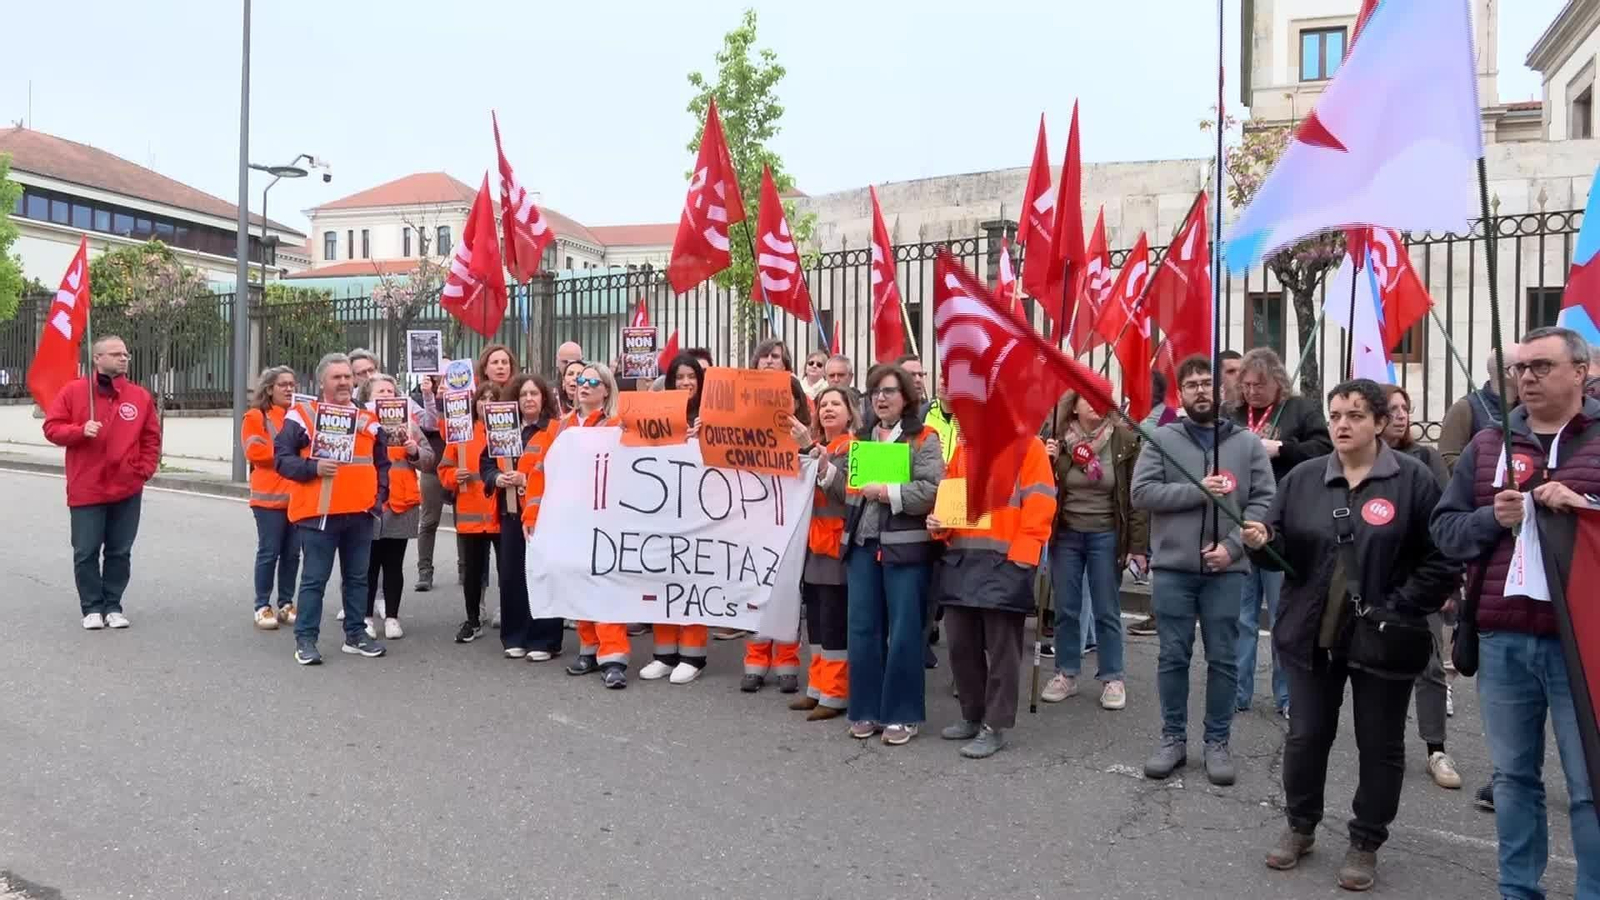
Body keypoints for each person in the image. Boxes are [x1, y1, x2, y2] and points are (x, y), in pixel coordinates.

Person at [1243, 379, 1458, 892]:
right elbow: (1279, 552)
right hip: (1312, 634)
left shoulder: (1413, 480)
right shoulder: (1301, 479)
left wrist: (1400, 606)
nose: (1342, 424)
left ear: (1381, 423)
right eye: (1336, 414)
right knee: (1306, 736)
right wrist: (1261, 542)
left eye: (1356, 415)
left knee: (1379, 745)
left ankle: (1366, 840)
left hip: (1384, 638)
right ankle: (1300, 826)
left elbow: (1442, 559)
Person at [1431, 327, 1600, 900]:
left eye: (1541, 367)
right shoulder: (1487, 444)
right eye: (1520, 369)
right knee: (1512, 781)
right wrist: (1489, 521)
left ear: (1580, 371)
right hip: (1504, 640)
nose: (1526, 378)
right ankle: (1517, 891)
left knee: (1587, 786)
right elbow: (1445, 531)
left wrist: (1586, 507)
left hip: (1585, 647)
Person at [1132, 355, 1275, 785]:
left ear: (1221, 390)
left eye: (1207, 383)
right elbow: (1142, 493)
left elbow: (1265, 500)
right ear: (1181, 392)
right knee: (1173, 656)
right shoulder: (1160, 438)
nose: (1200, 390)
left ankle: (1218, 741)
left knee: (1224, 659)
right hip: (1175, 568)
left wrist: (1233, 548)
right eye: (1191, 383)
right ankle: (1172, 737)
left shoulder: (1246, 444)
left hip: (1226, 572)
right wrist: (1195, 492)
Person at [929, 435, 1055, 758]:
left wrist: (1023, 558)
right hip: (962, 559)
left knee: (1002, 652)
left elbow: (1041, 505)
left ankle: (995, 726)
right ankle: (972, 715)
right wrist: (938, 525)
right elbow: (949, 503)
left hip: (1005, 562)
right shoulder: (964, 448)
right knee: (960, 646)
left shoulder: (1029, 446)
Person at [842, 363, 944, 745]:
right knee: (863, 631)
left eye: (889, 391)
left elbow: (933, 490)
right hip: (863, 548)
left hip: (904, 551)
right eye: (875, 392)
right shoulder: (862, 438)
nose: (880, 398)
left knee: (903, 632)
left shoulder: (924, 439)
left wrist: (888, 493)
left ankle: (902, 713)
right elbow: (850, 492)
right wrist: (828, 474)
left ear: (906, 398)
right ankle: (865, 709)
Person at [1230, 347, 1332, 718]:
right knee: (1240, 616)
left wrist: (1281, 448)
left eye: (1259, 384)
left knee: (1283, 615)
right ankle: (1238, 691)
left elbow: (1323, 449)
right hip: (1241, 521)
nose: (1251, 392)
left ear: (1278, 382)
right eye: (1246, 385)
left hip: (1285, 525)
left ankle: (1287, 695)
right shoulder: (1234, 414)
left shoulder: (1301, 410)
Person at [272, 352, 390, 665]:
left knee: (357, 579)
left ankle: (355, 634)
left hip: (360, 514)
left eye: (348, 377)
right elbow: (282, 460)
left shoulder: (368, 419)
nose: (343, 382)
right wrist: (313, 467)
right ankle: (306, 640)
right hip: (318, 513)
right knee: (314, 580)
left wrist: (378, 499)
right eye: (336, 377)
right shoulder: (302, 415)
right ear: (321, 381)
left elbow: (382, 463)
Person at [42, 335, 161, 631]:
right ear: (97, 358)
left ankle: (113, 604)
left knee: (120, 550)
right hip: (87, 486)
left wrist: (142, 470)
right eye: (116, 353)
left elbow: (150, 438)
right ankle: (92, 606)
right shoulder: (73, 392)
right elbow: (52, 428)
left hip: (126, 486)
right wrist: (80, 430)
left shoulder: (139, 396)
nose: (123, 358)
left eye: (126, 354)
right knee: (86, 550)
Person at [1041, 390, 1149, 710]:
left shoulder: (1124, 440)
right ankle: (1066, 673)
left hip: (1106, 534)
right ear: (1073, 406)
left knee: (1106, 608)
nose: (1095, 405)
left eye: (1101, 399)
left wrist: (1137, 546)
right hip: (1067, 535)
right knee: (1067, 607)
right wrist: (1045, 460)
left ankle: (1113, 676)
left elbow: (1135, 498)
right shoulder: (1058, 439)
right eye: (1087, 399)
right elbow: (1041, 489)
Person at [1382, 384, 1461, 791]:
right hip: (1373, 580)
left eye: (1405, 408)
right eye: (1392, 408)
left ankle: (1436, 749)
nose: (1401, 415)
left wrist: (1447, 581)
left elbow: (1444, 519)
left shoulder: (1426, 458)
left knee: (1429, 664)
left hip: (1420, 580)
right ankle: (1381, 745)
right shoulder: (1355, 462)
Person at [638, 353, 712, 683]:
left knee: (693, 577)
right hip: (663, 507)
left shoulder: (712, 414)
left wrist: (703, 437)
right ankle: (664, 653)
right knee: (662, 577)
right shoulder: (660, 412)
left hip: (700, 509)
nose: (685, 383)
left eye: (691, 377)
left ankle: (693, 655)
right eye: (679, 377)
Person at [741, 376, 814, 693]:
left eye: (789, 398)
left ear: (798, 402)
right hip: (757, 527)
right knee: (755, 593)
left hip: (793, 526)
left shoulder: (808, 436)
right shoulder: (749, 435)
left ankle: (787, 662)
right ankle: (755, 662)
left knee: (788, 595)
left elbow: (815, 464)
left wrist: (806, 444)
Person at [561, 362, 631, 688]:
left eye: (593, 381)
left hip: (607, 518)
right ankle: (588, 648)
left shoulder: (617, 425)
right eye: (580, 380)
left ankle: (614, 656)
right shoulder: (561, 426)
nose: (584, 385)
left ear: (606, 390)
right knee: (580, 583)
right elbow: (542, 472)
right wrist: (534, 516)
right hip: (573, 517)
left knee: (606, 585)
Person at [486, 373, 563, 660]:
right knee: (512, 577)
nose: (528, 399)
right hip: (510, 514)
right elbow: (486, 462)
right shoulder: (504, 428)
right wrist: (496, 477)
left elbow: (560, 469)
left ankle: (544, 639)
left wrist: (526, 477)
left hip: (543, 516)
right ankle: (515, 636)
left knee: (542, 575)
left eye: (534, 394)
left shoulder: (555, 430)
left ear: (544, 399)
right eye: (523, 395)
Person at [791, 385, 857, 718]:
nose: (828, 409)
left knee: (833, 623)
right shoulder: (818, 447)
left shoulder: (855, 448)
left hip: (836, 551)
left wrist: (813, 454)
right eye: (824, 404)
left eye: (836, 404)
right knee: (815, 623)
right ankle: (816, 687)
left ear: (850, 412)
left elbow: (848, 492)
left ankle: (835, 693)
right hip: (813, 550)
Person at [358, 374, 432, 641]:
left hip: (402, 503)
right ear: (368, 396)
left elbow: (428, 460)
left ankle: (392, 617)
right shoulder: (361, 423)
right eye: (381, 391)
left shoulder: (409, 425)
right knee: (368, 565)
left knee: (393, 564)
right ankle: (365, 617)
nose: (387, 395)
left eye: (391, 391)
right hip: (371, 501)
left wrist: (413, 451)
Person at [440, 382, 501, 645]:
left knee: (507, 570)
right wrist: (454, 475)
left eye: (492, 399)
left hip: (501, 513)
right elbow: (443, 469)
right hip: (471, 514)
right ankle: (473, 619)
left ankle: (509, 613)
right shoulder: (460, 432)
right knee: (472, 572)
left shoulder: (506, 430)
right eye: (482, 398)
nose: (486, 403)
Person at [241, 365, 300, 629]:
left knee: (292, 554)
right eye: (283, 384)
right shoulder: (256, 416)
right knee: (269, 552)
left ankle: (286, 603)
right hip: (268, 500)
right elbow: (255, 452)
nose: (289, 389)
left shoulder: (299, 416)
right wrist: (289, 454)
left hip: (297, 496)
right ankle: (262, 606)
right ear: (269, 389)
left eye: (292, 384)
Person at [1439, 344, 1520, 474]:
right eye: (1523, 367)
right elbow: (1448, 458)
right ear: (1506, 372)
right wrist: (1487, 473)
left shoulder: (1529, 407)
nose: (1530, 372)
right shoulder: (1465, 408)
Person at [411, 374, 446, 593]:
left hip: (460, 467)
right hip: (432, 467)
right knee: (429, 520)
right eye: (438, 377)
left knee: (464, 524)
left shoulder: (467, 399)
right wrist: (430, 397)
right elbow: (430, 423)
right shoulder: (417, 397)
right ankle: (425, 571)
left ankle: (465, 571)